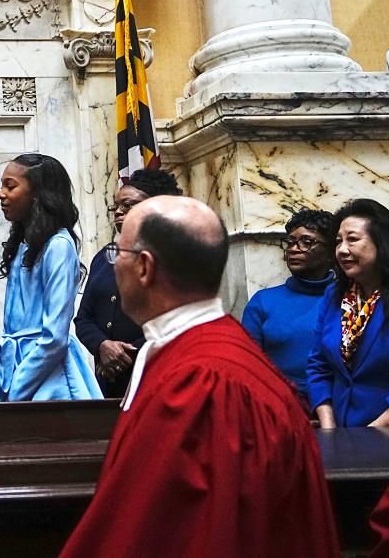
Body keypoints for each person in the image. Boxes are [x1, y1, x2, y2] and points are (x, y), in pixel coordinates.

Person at [60, 197, 338, 557]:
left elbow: (181, 533)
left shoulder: (202, 384)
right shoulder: (200, 353)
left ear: (144, 268)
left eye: (118, 252)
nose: (113, 266)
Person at [0, 153, 99, 401]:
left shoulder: (58, 246)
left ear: (39, 194)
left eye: (11, 186)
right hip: (14, 370)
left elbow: (54, 337)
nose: (1, 193)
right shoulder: (24, 245)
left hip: (49, 380)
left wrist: (19, 386)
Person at [74, 168, 182, 397]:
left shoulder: (173, 257)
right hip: (107, 383)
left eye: (128, 205)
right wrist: (102, 346)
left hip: (155, 378)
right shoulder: (103, 257)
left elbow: (178, 318)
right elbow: (84, 318)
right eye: (116, 207)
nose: (119, 212)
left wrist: (125, 355)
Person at [308, 198, 389, 428]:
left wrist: (377, 428)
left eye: (353, 240)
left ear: (383, 243)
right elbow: (319, 364)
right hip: (342, 432)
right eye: (338, 242)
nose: (342, 250)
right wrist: (330, 427)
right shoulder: (334, 295)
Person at [241, 208, 336, 405]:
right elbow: (250, 368)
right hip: (281, 407)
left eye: (307, 242)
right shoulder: (263, 301)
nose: (294, 248)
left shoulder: (347, 299)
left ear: (330, 253)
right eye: (290, 242)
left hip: (340, 408)